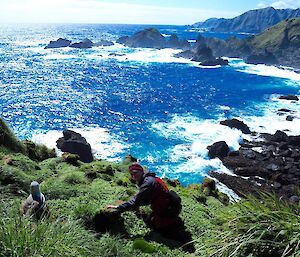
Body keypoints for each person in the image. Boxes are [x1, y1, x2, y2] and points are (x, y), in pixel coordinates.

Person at [107, 163, 195, 252]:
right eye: (131, 174)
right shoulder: (152, 179)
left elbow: (135, 201)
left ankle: (183, 243)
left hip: (166, 210)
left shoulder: (148, 183)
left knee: (161, 231)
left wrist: (119, 207)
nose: (133, 176)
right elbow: (147, 198)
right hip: (168, 206)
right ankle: (174, 225)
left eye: (135, 173)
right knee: (150, 221)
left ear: (141, 172)